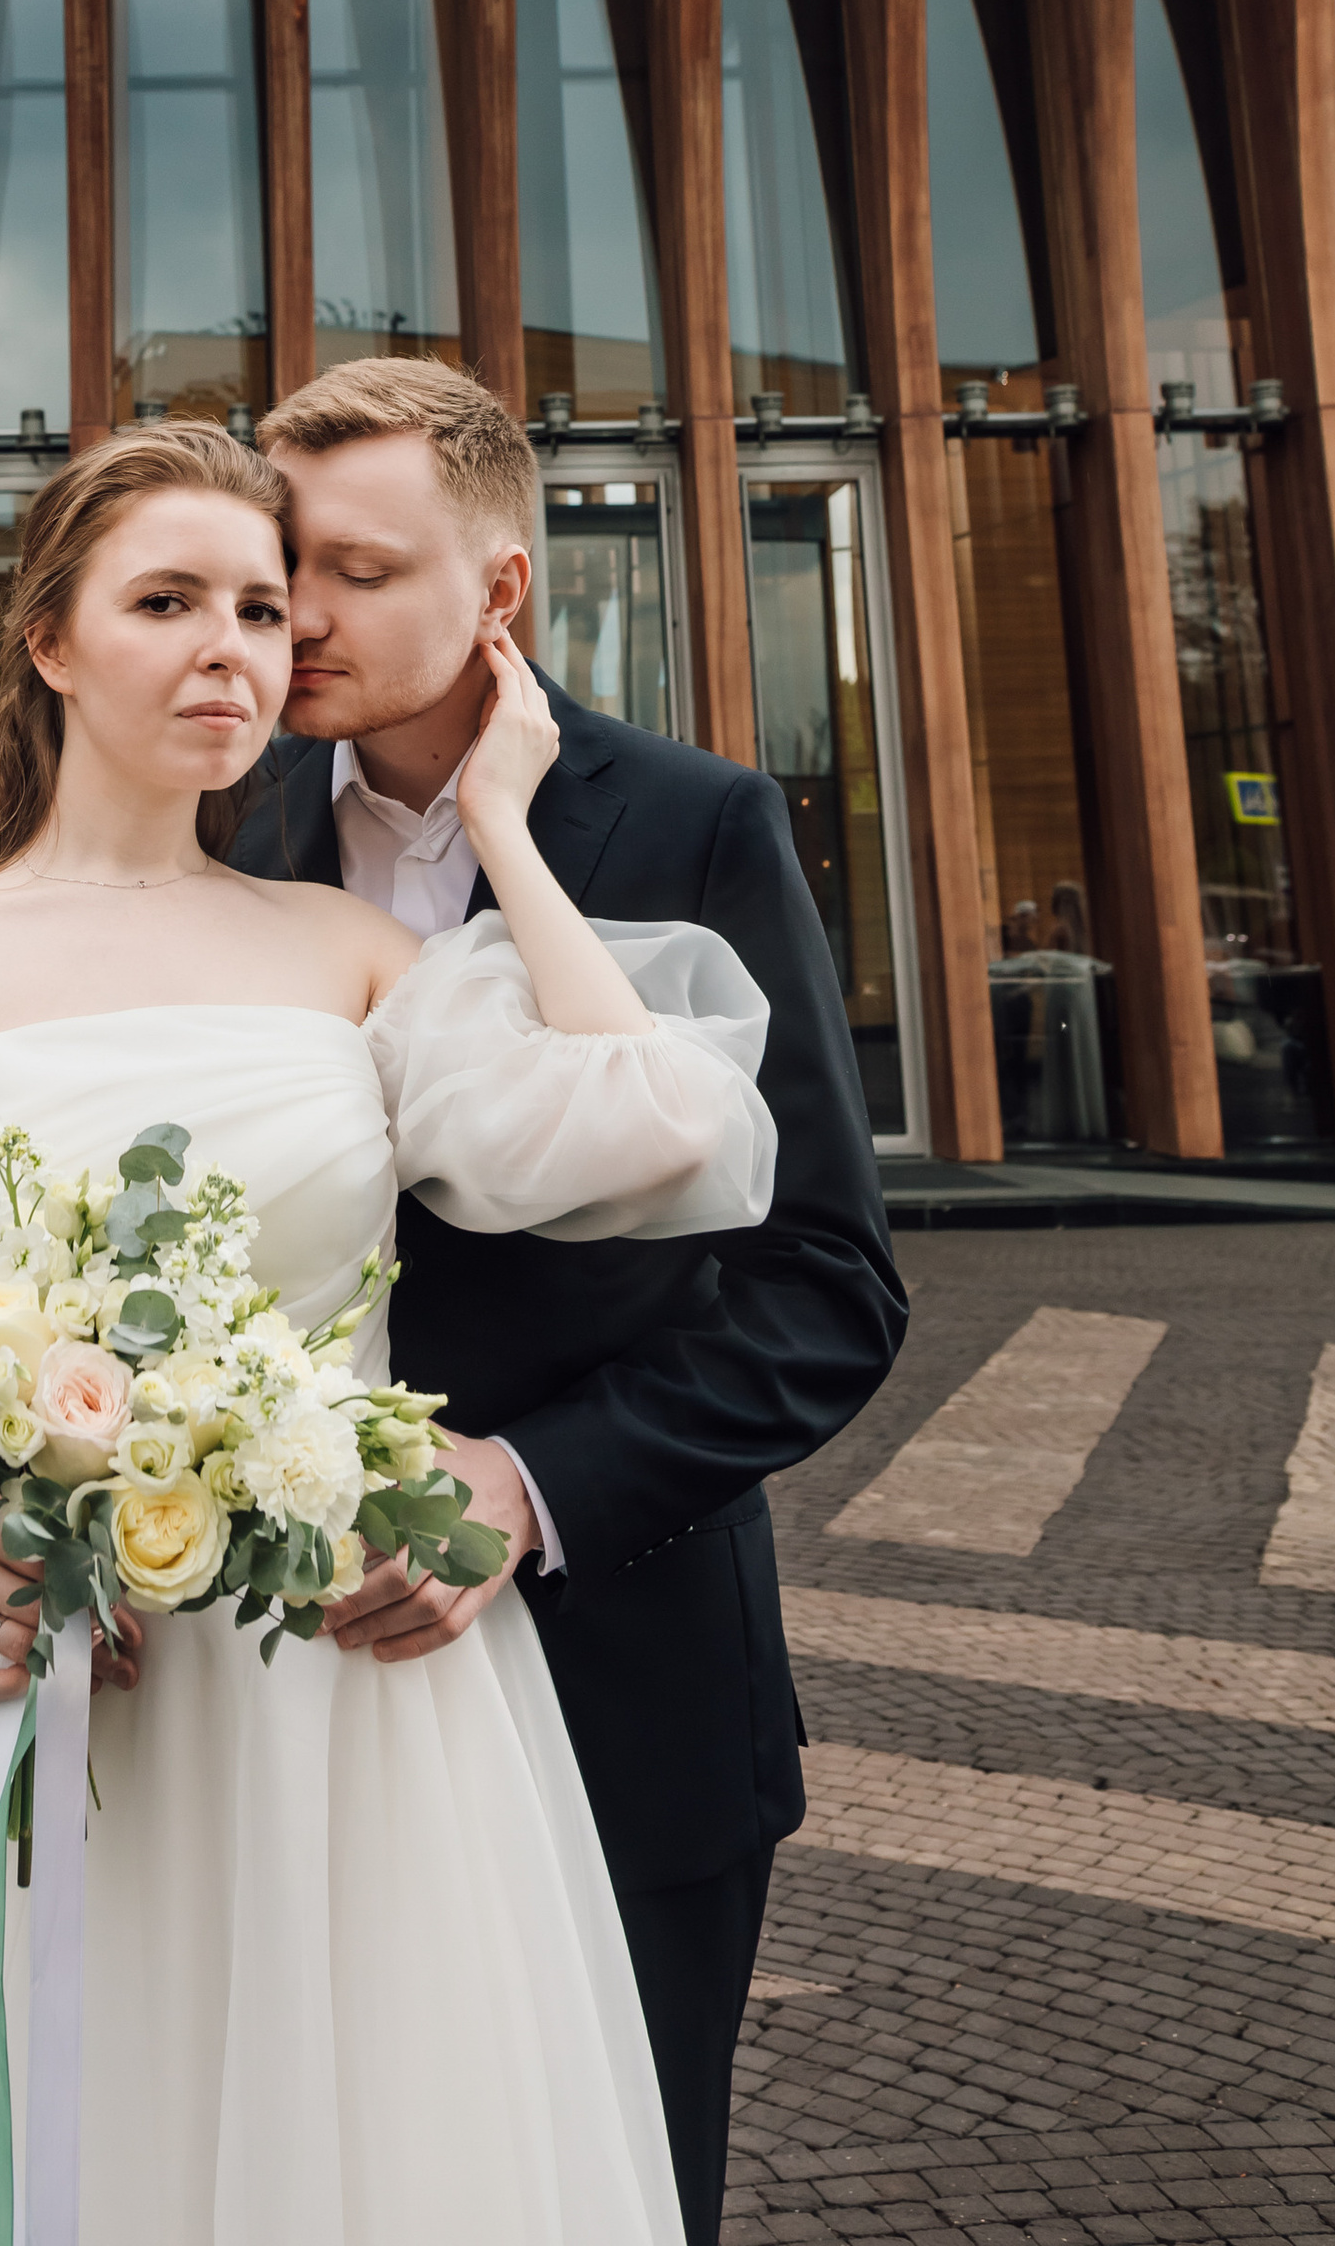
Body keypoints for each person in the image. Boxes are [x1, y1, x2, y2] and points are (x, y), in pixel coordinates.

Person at [0, 421, 781, 2246]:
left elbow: (658, 1128)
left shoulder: (347, 953)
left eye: (262, 608)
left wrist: (510, 829)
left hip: (354, 1699)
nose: (235, 647)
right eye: (168, 602)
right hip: (45, 1666)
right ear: (52, 640)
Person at [234, 360, 907, 2246]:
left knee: (607, 2190)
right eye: (285, 561)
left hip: (620, 1670)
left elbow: (825, 1286)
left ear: (501, 588)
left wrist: (520, 1490)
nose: (301, 611)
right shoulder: (221, 836)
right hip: (285, 1682)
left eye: (357, 568)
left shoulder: (695, 822)